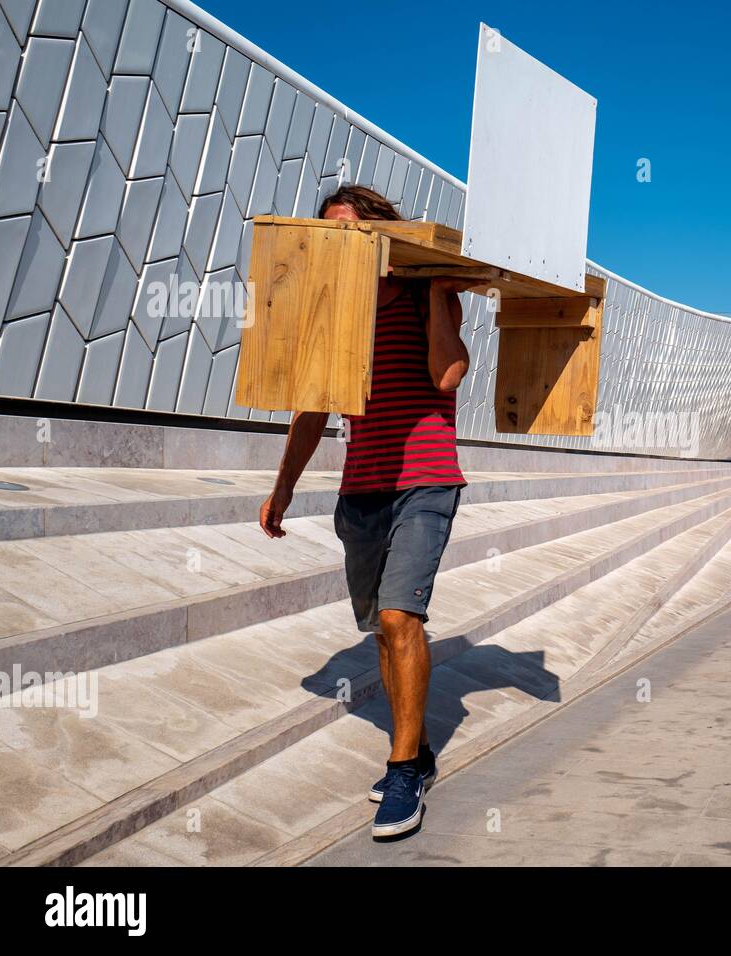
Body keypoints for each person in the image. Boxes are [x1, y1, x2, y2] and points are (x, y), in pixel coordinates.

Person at [258, 185, 473, 840]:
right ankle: (419, 749)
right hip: (362, 489)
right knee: (381, 629)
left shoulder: (416, 295)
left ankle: (404, 769)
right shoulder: (337, 311)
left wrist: (436, 291)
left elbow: (447, 377)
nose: (338, 243)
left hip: (426, 479)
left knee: (400, 617)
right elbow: (313, 407)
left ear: (379, 233)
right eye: (328, 234)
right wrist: (285, 487)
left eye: (347, 229)